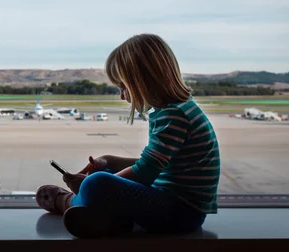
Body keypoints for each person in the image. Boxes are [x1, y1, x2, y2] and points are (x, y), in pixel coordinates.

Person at [36, 34, 220, 238]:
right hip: (178, 208)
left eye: (123, 86)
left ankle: (69, 202)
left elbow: (146, 171)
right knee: (104, 173)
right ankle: (113, 222)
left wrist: (87, 185)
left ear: (142, 81)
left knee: (96, 184)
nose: (122, 95)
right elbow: (158, 164)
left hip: (180, 214)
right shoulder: (180, 108)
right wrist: (109, 160)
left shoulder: (173, 116)